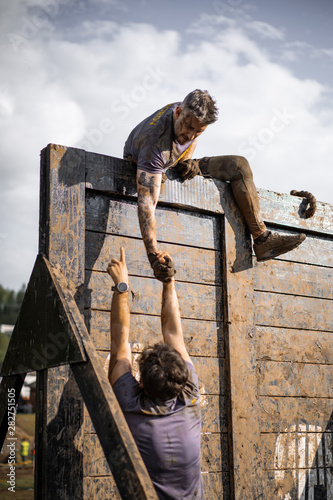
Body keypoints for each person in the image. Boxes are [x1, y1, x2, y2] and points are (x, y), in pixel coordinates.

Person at [123, 89, 306, 281]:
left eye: (199, 131)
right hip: (145, 166)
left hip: (170, 164)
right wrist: (153, 256)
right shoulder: (154, 145)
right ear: (178, 113)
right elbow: (146, 205)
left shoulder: (188, 115)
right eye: (189, 127)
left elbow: (191, 135)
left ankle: (263, 239)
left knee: (239, 166)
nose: (191, 135)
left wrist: (188, 160)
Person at [106, 247, 203, 499]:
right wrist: (169, 280)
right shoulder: (190, 394)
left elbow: (119, 345)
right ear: (181, 379)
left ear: (142, 386)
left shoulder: (130, 404)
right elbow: (173, 333)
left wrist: (122, 286)